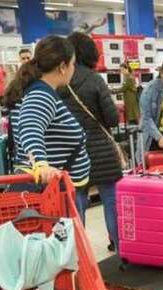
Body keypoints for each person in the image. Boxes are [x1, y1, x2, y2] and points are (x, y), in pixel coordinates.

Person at [9, 35, 90, 216]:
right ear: (62, 66)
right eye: (72, 64)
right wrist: (41, 164)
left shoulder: (38, 91)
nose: (73, 69)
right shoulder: (41, 95)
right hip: (53, 194)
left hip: (59, 189)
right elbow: (30, 128)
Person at [59, 32, 121, 251]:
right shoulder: (95, 79)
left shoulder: (58, 82)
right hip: (101, 152)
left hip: (72, 154)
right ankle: (119, 250)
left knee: (76, 208)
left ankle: (77, 256)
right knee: (111, 204)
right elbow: (112, 118)